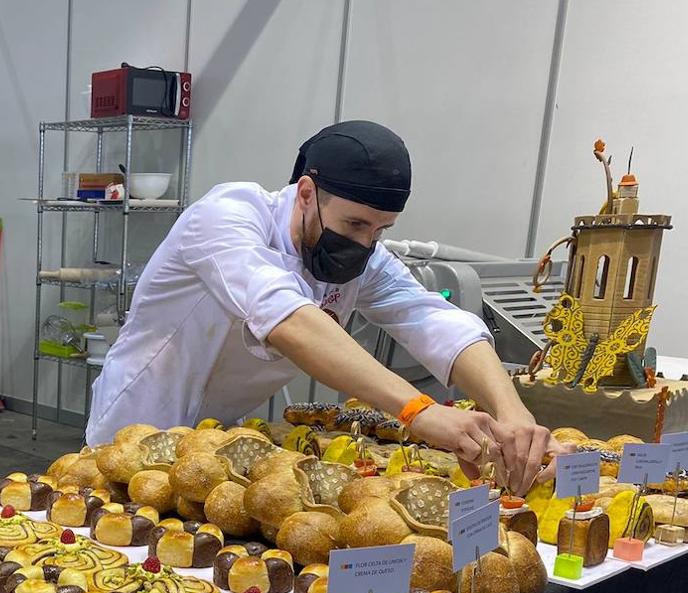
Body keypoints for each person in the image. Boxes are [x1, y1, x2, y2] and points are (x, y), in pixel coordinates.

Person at [86, 120, 557, 494]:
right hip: (132, 433)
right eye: (354, 223)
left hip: (214, 445)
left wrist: (512, 412)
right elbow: (288, 319)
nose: (364, 243)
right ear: (307, 193)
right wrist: (418, 410)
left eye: (380, 230)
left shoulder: (366, 257)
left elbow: (431, 317)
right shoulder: (228, 216)